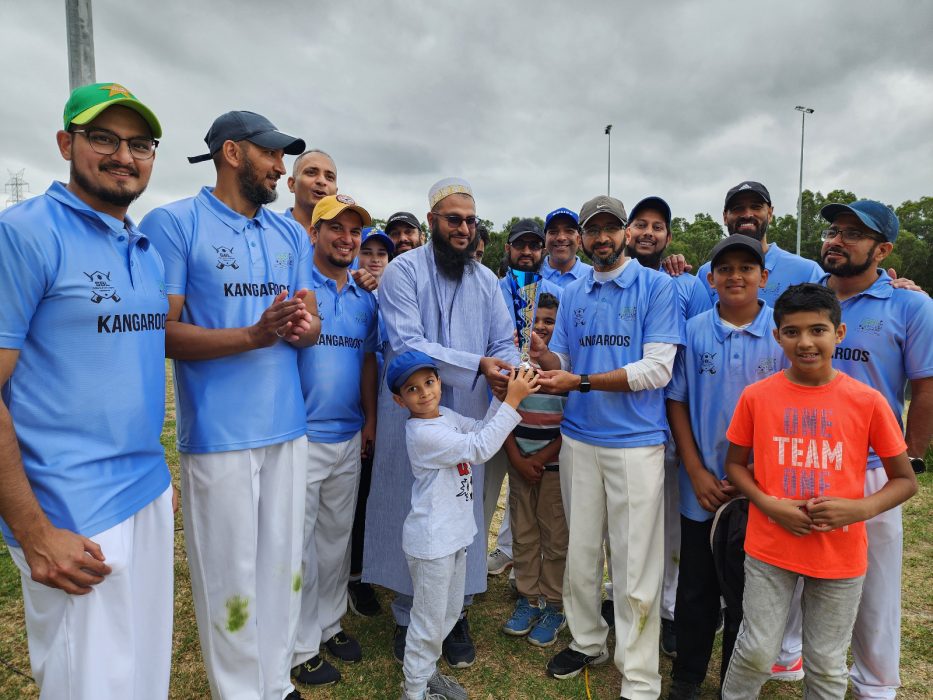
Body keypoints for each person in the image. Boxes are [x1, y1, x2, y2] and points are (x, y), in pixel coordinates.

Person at [0, 81, 173, 700]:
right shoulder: (23, 233)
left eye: (139, 143)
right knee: (91, 685)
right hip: (69, 510)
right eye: (103, 138)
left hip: (145, 489)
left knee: (145, 676)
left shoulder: (143, 247)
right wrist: (33, 530)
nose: (124, 156)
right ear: (65, 143)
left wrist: (155, 488)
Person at [140, 110, 318, 700]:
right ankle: (240, 691)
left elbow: (309, 324)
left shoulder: (290, 233)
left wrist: (301, 326)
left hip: (288, 427)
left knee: (282, 568)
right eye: (272, 156)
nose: (281, 169)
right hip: (219, 435)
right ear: (233, 154)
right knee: (230, 576)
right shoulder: (174, 224)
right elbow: (159, 332)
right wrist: (252, 335)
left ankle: (275, 681)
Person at [721, 283, 917, 700]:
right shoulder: (757, 397)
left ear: (838, 334)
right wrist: (770, 505)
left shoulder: (868, 401)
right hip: (769, 546)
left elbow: (905, 480)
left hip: (839, 554)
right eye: (792, 332)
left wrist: (859, 509)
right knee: (757, 650)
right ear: (777, 337)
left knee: (827, 664)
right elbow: (735, 467)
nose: (806, 342)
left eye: (818, 330)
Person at [363, 177, 518, 669]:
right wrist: (479, 365)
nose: (464, 229)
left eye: (471, 221)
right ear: (432, 221)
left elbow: (504, 341)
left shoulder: (488, 281)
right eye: (454, 219)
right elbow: (407, 343)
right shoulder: (402, 272)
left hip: (469, 413)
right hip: (413, 414)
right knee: (413, 511)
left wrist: (508, 371)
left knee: (463, 515)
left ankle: (458, 611)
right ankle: (408, 616)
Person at [533, 195, 682, 698]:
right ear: (580, 236)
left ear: (624, 231)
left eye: (609, 229)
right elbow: (568, 359)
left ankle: (639, 675)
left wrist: (580, 382)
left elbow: (657, 368)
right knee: (580, 550)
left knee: (634, 562)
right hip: (579, 437)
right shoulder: (573, 292)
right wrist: (547, 356)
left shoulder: (656, 286)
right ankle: (587, 639)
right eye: (591, 230)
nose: (601, 238)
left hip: (635, 444)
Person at [816, 200, 933, 699]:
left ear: (883, 249)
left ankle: (876, 684)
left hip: (872, 468)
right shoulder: (808, 296)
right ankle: (789, 659)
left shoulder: (911, 305)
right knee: (802, 572)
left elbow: (925, 387)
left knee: (876, 585)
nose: (837, 241)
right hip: (805, 458)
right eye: (834, 231)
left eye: (853, 234)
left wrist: (910, 458)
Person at [664, 235, 786, 699]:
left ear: (764, 278)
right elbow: (676, 403)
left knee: (746, 594)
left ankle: (735, 683)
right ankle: (688, 677)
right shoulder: (694, 330)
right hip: (704, 487)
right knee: (696, 588)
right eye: (726, 268)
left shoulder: (782, 332)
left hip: (758, 491)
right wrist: (695, 471)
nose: (736, 276)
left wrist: (756, 479)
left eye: (747, 268)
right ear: (710, 278)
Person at [389, 351, 538, 700]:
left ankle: (427, 674)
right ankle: (413, 691)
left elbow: (482, 430)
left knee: (448, 613)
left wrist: (500, 400)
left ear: (439, 382)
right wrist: (513, 402)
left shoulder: (446, 416)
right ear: (399, 400)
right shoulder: (422, 433)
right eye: (413, 389)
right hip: (431, 542)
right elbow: (481, 447)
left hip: (453, 536)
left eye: (429, 382)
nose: (425, 392)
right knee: (427, 622)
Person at [602, 197, 713, 654]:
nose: (648, 232)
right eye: (641, 224)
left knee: (667, 527)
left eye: (658, 226)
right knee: (623, 522)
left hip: (671, 418)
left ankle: (666, 610)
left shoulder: (684, 284)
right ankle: (618, 595)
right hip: (623, 422)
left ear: (669, 237)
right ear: (627, 232)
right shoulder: (609, 281)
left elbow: (698, 346)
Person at [291, 194, 379, 686]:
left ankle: (329, 624)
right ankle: (300, 644)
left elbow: (367, 361)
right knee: (298, 546)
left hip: (348, 435)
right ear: (315, 233)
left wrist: (368, 419)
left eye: (354, 231)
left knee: (335, 540)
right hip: (301, 436)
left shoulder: (366, 300)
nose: (346, 239)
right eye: (335, 229)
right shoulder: (296, 284)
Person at [485, 219, 564, 576]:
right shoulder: (491, 288)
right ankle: (478, 569)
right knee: (487, 494)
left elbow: (560, 351)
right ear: (509, 249)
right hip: (494, 399)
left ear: (542, 250)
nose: (528, 252)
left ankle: (526, 574)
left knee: (534, 503)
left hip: (538, 407)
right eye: (521, 245)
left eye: (534, 246)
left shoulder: (556, 293)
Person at [501, 292, 570, 648]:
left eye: (549, 321)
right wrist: (517, 457)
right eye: (536, 321)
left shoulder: (564, 369)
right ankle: (528, 599)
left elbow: (570, 422)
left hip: (553, 467)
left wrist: (541, 460)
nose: (541, 328)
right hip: (520, 464)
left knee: (555, 536)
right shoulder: (513, 365)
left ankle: (555, 604)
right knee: (523, 532)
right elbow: (504, 413)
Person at [692, 182, 823, 307]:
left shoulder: (807, 271)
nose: (747, 214)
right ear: (725, 217)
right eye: (738, 208)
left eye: (756, 207)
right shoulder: (706, 273)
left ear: (770, 213)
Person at [286, 149, 338, 231]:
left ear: (336, 192)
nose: (321, 181)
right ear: (292, 184)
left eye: (329, 177)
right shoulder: (266, 227)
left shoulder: (348, 239)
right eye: (311, 172)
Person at [540, 207, 592, 288]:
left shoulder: (594, 277)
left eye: (569, 231)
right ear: (545, 239)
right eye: (553, 232)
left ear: (579, 239)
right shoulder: (530, 277)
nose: (561, 238)